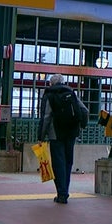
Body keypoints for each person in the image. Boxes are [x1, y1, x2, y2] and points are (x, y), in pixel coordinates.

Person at [39, 74, 89, 204]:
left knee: (58, 163)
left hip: (56, 134)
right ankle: (65, 190)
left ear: (51, 83)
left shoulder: (49, 95)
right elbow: (85, 111)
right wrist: (81, 125)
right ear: (63, 82)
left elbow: (46, 117)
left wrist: (41, 136)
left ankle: (62, 194)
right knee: (68, 162)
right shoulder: (70, 93)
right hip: (71, 133)